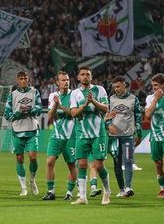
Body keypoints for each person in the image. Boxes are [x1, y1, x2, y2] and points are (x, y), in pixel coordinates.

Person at [69, 66, 111, 205]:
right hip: (82, 134)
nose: (85, 76)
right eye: (82, 74)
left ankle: (107, 191)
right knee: (81, 164)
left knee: (99, 165)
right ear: (78, 77)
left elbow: (106, 109)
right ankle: (82, 197)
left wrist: (93, 101)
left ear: (91, 77)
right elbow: (74, 113)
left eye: (88, 74)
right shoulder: (75, 93)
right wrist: (86, 104)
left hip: (98, 133)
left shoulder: (100, 90)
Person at [4, 70, 42, 196]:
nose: (23, 80)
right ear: (17, 80)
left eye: (25, 78)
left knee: (33, 157)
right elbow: (7, 115)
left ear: (28, 79)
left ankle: (32, 180)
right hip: (17, 130)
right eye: (21, 78)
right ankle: (23, 187)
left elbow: (39, 109)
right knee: (19, 159)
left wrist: (31, 110)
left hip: (32, 129)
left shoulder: (34, 92)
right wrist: (19, 112)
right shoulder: (12, 95)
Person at [41, 71, 77, 201]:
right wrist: (56, 104)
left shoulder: (75, 95)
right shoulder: (53, 96)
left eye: (67, 80)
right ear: (58, 82)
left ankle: (69, 192)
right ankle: (51, 192)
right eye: (63, 80)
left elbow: (74, 114)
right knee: (50, 161)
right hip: (56, 135)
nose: (66, 82)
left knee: (71, 164)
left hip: (71, 136)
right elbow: (50, 116)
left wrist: (61, 105)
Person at [105, 75, 142, 198]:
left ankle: (128, 187)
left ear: (124, 85)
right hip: (114, 137)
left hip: (127, 136)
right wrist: (109, 125)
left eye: (118, 86)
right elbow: (107, 116)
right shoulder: (111, 99)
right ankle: (121, 189)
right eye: (114, 87)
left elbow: (138, 116)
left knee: (128, 161)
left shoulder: (133, 99)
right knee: (117, 163)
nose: (116, 89)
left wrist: (139, 132)